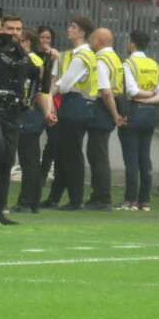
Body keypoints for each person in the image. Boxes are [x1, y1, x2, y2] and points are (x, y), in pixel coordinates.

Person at [0, 15, 43, 223]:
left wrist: (46, 62)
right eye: (10, 29)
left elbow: (38, 77)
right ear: (2, 30)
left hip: (12, 112)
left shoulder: (23, 56)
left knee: (7, 159)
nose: (14, 33)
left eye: (18, 29)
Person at [48, 15, 96, 211]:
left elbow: (64, 84)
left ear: (82, 32)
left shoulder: (81, 56)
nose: (69, 29)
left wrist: (47, 99)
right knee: (63, 153)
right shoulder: (74, 55)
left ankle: (76, 200)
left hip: (75, 105)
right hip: (75, 105)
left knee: (72, 154)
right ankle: (55, 197)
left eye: (73, 27)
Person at [117, 31, 159, 211]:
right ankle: (144, 201)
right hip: (150, 114)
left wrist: (144, 96)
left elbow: (132, 91)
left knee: (131, 158)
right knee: (145, 157)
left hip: (132, 112)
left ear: (132, 44)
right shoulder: (155, 65)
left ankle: (130, 200)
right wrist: (150, 98)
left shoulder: (128, 63)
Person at [12, 27, 56, 214]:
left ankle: (26, 200)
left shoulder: (28, 61)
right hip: (35, 114)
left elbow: (37, 91)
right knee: (32, 160)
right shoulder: (38, 60)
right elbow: (44, 90)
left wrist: (46, 112)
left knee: (28, 160)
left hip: (28, 114)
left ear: (27, 42)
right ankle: (34, 201)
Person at [85, 27, 123, 210]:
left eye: (92, 37)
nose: (89, 40)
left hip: (102, 107)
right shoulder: (114, 57)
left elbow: (106, 92)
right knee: (100, 153)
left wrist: (115, 115)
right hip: (109, 107)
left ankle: (101, 197)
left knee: (97, 155)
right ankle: (101, 196)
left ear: (100, 40)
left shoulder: (101, 60)